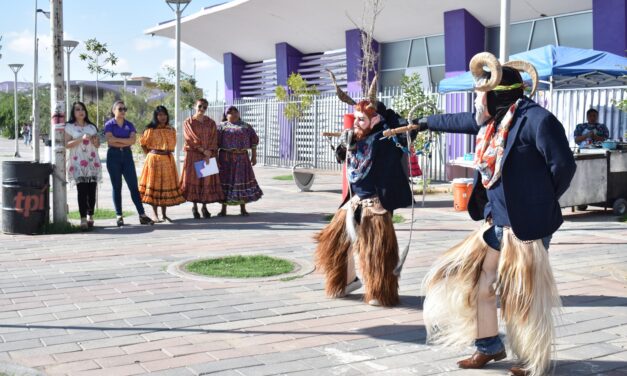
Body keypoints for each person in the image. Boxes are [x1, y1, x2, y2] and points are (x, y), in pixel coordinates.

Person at [417, 52, 576, 376]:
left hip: (528, 228)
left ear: (497, 96)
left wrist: (541, 202)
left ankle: (532, 361)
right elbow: (460, 120)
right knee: (477, 282)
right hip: (497, 224)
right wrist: (422, 123)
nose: (477, 104)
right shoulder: (493, 123)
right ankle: (489, 346)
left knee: (523, 297)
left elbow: (564, 166)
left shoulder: (537, 121)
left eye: (481, 96)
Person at [314, 73, 413, 307]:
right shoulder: (355, 138)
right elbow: (344, 156)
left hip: (376, 204)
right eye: (355, 119)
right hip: (355, 201)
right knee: (333, 243)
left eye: (361, 119)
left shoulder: (387, 138)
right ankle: (346, 281)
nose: (356, 123)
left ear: (375, 120)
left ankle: (380, 291)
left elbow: (406, 129)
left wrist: (384, 112)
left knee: (376, 252)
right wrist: (343, 145)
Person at [104, 100, 154, 227]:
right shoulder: (109, 124)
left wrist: (118, 140)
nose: (122, 111)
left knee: (133, 186)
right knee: (117, 186)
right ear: (113, 110)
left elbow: (132, 141)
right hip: (113, 156)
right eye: (120, 109)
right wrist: (123, 141)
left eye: (124, 109)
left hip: (127, 156)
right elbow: (109, 141)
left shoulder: (129, 125)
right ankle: (119, 216)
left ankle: (142, 215)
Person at [138, 106, 185, 222]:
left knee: (165, 186)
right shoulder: (150, 130)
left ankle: (164, 214)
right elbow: (143, 143)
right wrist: (150, 155)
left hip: (168, 160)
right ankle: (154, 214)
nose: (162, 117)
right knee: (155, 186)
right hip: (154, 160)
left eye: (164, 114)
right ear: (156, 116)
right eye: (159, 115)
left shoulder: (171, 130)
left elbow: (173, 145)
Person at [180, 98, 224, 218]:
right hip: (194, 155)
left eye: (205, 107)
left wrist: (209, 151)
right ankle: (194, 208)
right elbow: (189, 138)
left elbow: (214, 138)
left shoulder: (211, 122)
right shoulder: (188, 122)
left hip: (208, 156)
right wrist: (202, 150)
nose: (202, 109)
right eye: (200, 106)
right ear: (195, 106)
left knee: (206, 181)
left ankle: (204, 207)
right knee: (194, 181)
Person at [217, 106, 263, 216]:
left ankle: (243, 208)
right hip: (226, 159)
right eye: (230, 112)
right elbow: (215, 143)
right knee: (226, 182)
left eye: (235, 112)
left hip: (242, 158)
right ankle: (223, 209)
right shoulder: (221, 127)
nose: (233, 114)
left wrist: (254, 156)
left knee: (241, 182)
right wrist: (215, 159)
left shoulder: (246, 126)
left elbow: (254, 140)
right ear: (226, 115)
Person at [65, 102, 102, 229]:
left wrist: (95, 141)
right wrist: (81, 139)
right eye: (77, 109)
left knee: (92, 191)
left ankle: (90, 215)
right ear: (73, 113)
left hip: (92, 162)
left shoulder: (92, 127)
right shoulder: (69, 127)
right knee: (82, 191)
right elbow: (66, 144)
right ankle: (82, 219)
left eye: (82, 109)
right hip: (77, 162)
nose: (81, 111)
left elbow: (97, 145)